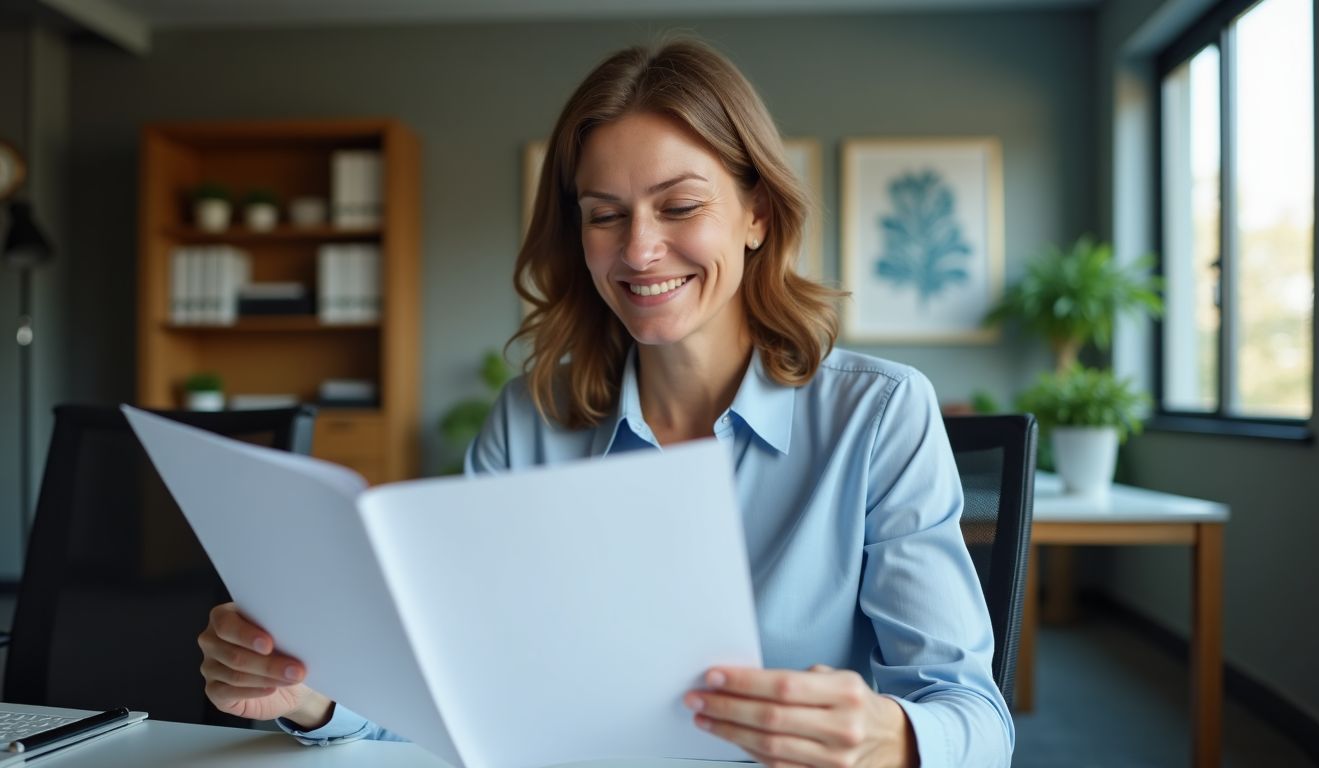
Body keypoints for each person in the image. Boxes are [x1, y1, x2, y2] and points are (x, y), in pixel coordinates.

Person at [196, 38, 1013, 768]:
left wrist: (888, 739)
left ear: (757, 213)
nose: (639, 250)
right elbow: (459, 695)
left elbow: (975, 721)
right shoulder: (527, 424)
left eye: (681, 206)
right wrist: (310, 696)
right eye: (604, 216)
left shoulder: (879, 416)